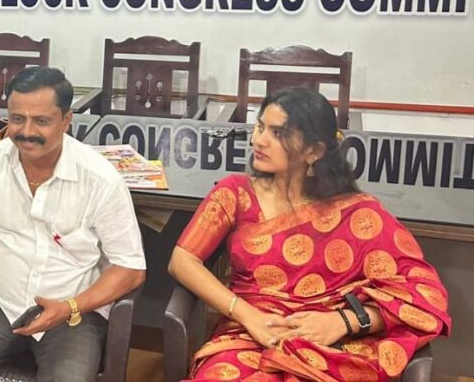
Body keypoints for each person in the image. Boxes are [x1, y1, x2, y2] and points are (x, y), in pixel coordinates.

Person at [168, 87, 451, 381]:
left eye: (278, 133)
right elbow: (182, 260)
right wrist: (249, 316)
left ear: (313, 152)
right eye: (260, 127)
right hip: (249, 337)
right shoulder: (236, 193)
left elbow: (422, 295)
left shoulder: (357, 213)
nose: (258, 140)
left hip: (331, 347)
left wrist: (342, 321)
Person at [0, 66, 146, 382]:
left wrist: (70, 307)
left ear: (66, 121)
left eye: (41, 121)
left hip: (71, 311)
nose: (26, 131)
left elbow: (130, 268)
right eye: (17, 119)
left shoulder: (100, 180)